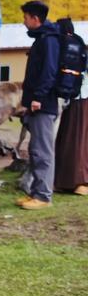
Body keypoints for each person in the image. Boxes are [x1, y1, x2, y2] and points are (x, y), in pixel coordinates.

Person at [16, 0, 61, 210]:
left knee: (43, 151)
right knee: (35, 149)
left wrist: (38, 98)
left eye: (26, 18)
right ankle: (35, 192)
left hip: (43, 104)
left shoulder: (49, 40)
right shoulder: (41, 39)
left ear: (35, 19)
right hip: (36, 104)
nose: (24, 22)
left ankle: (43, 196)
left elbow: (49, 72)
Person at [54, 18, 88, 196]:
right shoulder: (78, 44)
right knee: (78, 139)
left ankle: (61, 179)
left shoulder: (61, 44)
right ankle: (77, 181)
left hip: (67, 97)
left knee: (66, 137)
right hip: (81, 97)